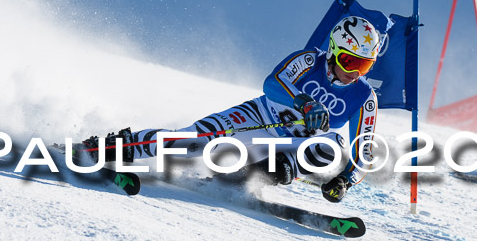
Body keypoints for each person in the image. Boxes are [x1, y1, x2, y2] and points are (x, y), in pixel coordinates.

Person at [83, 16, 381, 203]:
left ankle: (246, 179)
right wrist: (303, 101)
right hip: (259, 118)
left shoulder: (364, 97)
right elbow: (273, 83)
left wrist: (345, 181)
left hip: (291, 146)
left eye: (365, 66)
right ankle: (110, 148)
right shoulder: (308, 61)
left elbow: (363, 151)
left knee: (331, 147)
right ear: (333, 51)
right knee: (191, 140)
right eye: (351, 62)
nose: (355, 73)